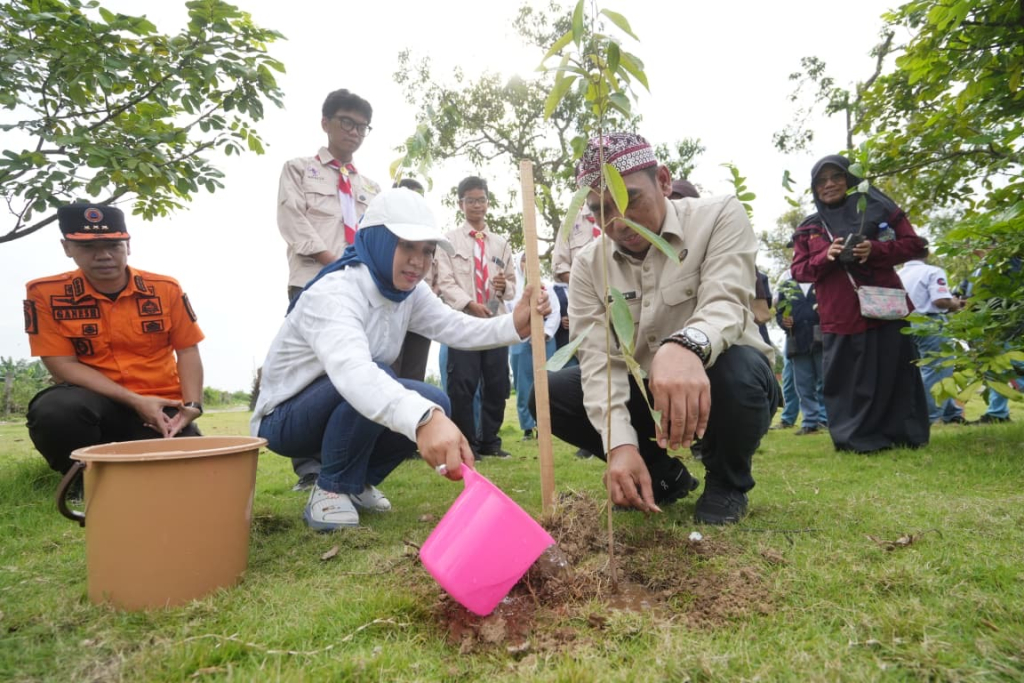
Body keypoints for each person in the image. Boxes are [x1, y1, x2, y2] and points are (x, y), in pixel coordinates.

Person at [252, 189, 550, 531]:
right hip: (285, 421)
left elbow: (454, 326)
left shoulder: (409, 292)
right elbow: (355, 374)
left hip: (343, 398)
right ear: (377, 240)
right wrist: (423, 421)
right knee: (391, 385)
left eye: (426, 251)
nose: (418, 262)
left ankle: (358, 482)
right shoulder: (335, 292)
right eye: (406, 245)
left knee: (434, 399)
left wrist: (515, 324)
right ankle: (330, 487)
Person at [537, 133, 779, 524]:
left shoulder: (719, 216)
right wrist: (618, 445)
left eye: (631, 199)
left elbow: (726, 303)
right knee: (549, 393)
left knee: (741, 372)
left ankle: (727, 483)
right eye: (601, 210)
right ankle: (663, 478)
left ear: (664, 181)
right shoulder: (588, 265)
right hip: (647, 392)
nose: (618, 222)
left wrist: (685, 346)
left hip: (721, 382)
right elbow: (599, 361)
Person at [24, 203, 205, 485]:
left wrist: (193, 405)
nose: (104, 255)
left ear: (128, 245)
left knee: (184, 476)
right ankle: (81, 483)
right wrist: (134, 401)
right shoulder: (46, 294)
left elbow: (187, 349)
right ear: (67, 247)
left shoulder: (165, 289)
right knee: (56, 410)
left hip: (159, 406)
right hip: (94, 405)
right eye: (88, 247)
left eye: (113, 245)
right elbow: (62, 366)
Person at [276, 88, 381, 491]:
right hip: (312, 284)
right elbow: (293, 222)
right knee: (309, 372)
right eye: (346, 122)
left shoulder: (371, 187)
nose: (354, 131)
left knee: (354, 367)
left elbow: (376, 238)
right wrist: (333, 263)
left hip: (359, 291)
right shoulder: (299, 170)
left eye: (362, 126)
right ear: (326, 123)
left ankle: (348, 458)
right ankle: (308, 466)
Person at [791, 155, 930, 453]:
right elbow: (799, 270)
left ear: (850, 179)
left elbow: (915, 245)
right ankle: (856, 438)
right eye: (821, 180)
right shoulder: (811, 227)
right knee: (849, 378)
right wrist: (826, 256)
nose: (829, 185)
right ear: (814, 188)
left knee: (895, 370)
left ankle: (903, 433)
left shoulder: (880, 210)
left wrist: (876, 249)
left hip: (885, 307)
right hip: (841, 314)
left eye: (836, 177)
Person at [433, 176, 517, 459]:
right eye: (471, 200)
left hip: (495, 322)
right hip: (463, 323)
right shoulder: (448, 241)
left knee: (496, 383)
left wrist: (505, 289)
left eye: (481, 200)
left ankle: (490, 441)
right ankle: (467, 442)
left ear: (488, 203)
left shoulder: (501, 244)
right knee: (462, 385)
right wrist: (469, 304)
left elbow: (513, 283)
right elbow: (444, 282)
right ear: (461, 204)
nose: (477, 205)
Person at [898, 257, 966, 425]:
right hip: (930, 322)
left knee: (926, 370)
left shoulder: (898, 274)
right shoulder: (932, 271)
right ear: (926, 253)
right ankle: (929, 416)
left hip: (905, 323)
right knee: (937, 369)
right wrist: (955, 304)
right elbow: (940, 301)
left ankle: (952, 413)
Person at [507, 252, 559, 440]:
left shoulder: (546, 286)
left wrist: (545, 333)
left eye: (530, 260)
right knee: (523, 384)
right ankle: (528, 427)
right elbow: (507, 316)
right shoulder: (512, 290)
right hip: (520, 343)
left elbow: (555, 312)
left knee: (547, 381)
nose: (526, 264)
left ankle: (547, 425)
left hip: (545, 341)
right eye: (523, 260)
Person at [775, 272, 828, 434]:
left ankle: (825, 419)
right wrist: (784, 322)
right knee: (803, 384)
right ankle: (810, 422)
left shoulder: (823, 280)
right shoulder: (787, 285)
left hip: (822, 339)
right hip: (797, 341)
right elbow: (780, 312)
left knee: (824, 381)